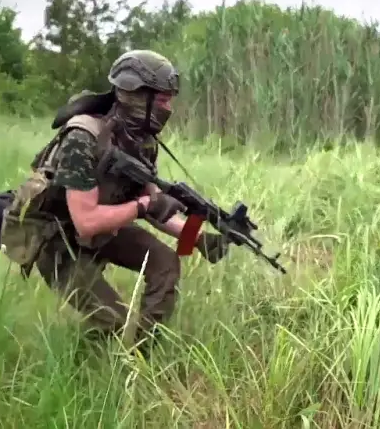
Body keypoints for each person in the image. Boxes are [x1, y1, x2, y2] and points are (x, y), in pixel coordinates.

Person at [20, 50, 230, 357]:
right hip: (59, 241)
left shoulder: (141, 140)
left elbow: (154, 206)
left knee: (166, 264)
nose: (169, 108)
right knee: (112, 322)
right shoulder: (83, 138)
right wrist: (144, 206)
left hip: (103, 232)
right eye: (162, 100)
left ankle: (141, 355)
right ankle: (81, 365)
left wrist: (198, 238)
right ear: (135, 95)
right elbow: (86, 221)